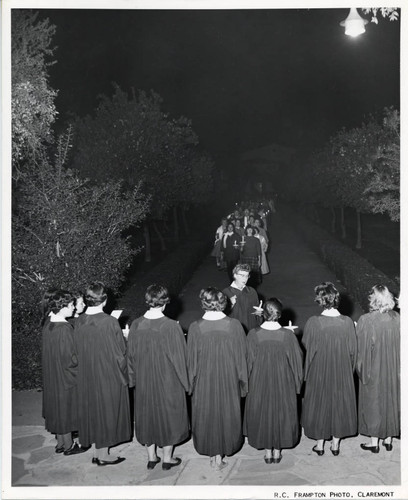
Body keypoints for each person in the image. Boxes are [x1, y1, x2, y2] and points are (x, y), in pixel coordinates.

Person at [127, 285, 189, 470]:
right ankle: (167, 459)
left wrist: (133, 380)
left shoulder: (137, 324)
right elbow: (180, 358)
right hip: (168, 380)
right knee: (169, 416)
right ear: (164, 303)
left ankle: (151, 457)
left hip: (145, 379)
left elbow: (130, 356)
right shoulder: (171, 326)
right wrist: (186, 384)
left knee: (148, 415)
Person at [187, 287, 248, 470]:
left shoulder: (195, 327)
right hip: (228, 377)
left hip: (204, 379)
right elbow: (241, 357)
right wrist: (243, 383)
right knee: (225, 412)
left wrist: (191, 384)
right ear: (223, 303)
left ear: (203, 303)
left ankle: (212, 453)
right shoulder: (234, 325)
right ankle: (220, 454)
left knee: (207, 413)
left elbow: (191, 360)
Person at [75, 282, 131, 466]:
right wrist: (125, 337)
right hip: (106, 373)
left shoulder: (79, 320)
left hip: (86, 372)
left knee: (94, 410)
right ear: (104, 300)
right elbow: (119, 351)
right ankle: (103, 455)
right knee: (107, 410)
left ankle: (98, 450)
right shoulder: (109, 321)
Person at [244, 298, 303, 464]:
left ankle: (267, 452)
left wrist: (246, 385)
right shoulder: (287, 335)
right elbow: (297, 362)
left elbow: (247, 361)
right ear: (279, 314)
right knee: (280, 411)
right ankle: (277, 451)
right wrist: (297, 385)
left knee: (264, 411)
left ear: (263, 314)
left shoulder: (254, 334)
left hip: (259, 380)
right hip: (283, 380)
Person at [302, 282, 357, 456]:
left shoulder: (313, 322)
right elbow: (353, 351)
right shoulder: (347, 322)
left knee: (321, 402)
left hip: (320, 368)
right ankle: (335, 444)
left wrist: (307, 373)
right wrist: (350, 370)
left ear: (320, 301)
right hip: (341, 368)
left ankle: (320, 445)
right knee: (338, 402)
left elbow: (307, 346)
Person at [41, 289, 87, 456]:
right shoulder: (65, 328)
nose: (73, 308)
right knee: (66, 409)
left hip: (53, 374)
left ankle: (61, 443)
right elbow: (71, 358)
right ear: (62, 307)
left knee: (58, 408)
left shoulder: (49, 323)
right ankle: (68, 446)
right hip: (66, 376)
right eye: (70, 305)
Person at [356, 285, 400, 453]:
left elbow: (363, 351)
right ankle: (388, 440)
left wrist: (361, 370)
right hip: (393, 367)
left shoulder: (367, 320)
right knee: (391, 399)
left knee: (374, 401)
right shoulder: (397, 318)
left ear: (373, 299)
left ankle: (374, 443)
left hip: (375, 367)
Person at [223, 263, 261, 334]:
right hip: (234, 331)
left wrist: (259, 314)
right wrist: (230, 305)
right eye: (242, 275)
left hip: (251, 330)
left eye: (247, 276)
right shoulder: (226, 293)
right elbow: (222, 316)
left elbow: (257, 315)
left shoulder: (252, 291)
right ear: (235, 275)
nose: (245, 279)